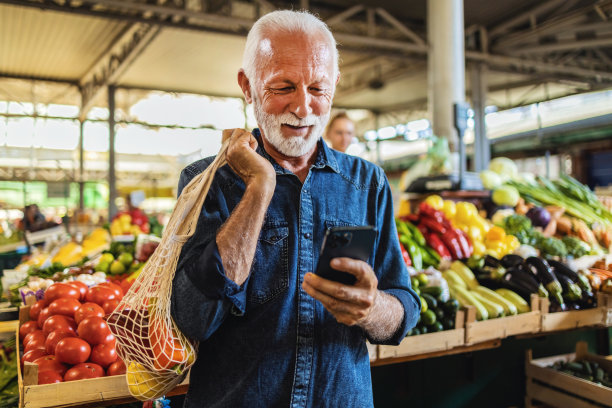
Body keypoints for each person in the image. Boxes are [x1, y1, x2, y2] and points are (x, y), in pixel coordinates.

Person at [171, 10, 420, 407]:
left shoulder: (367, 183)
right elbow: (192, 317)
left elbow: (403, 307)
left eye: (318, 89)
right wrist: (259, 187)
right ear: (247, 87)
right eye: (283, 87)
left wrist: (372, 308)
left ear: (335, 85)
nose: (303, 108)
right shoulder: (205, 183)